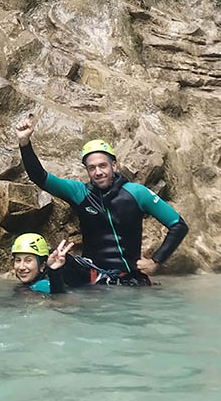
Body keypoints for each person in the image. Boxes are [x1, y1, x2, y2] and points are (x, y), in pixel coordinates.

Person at [14, 119, 189, 285]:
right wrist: (25, 142)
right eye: (92, 168)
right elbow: (39, 177)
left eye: (102, 165)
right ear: (87, 170)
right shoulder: (79, 192)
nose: (98, 172)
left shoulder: (137, 193)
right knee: (55, 260)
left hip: (129, 276)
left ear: (114, 165)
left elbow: (178, 225)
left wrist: (156, 261)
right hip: (91, 273)